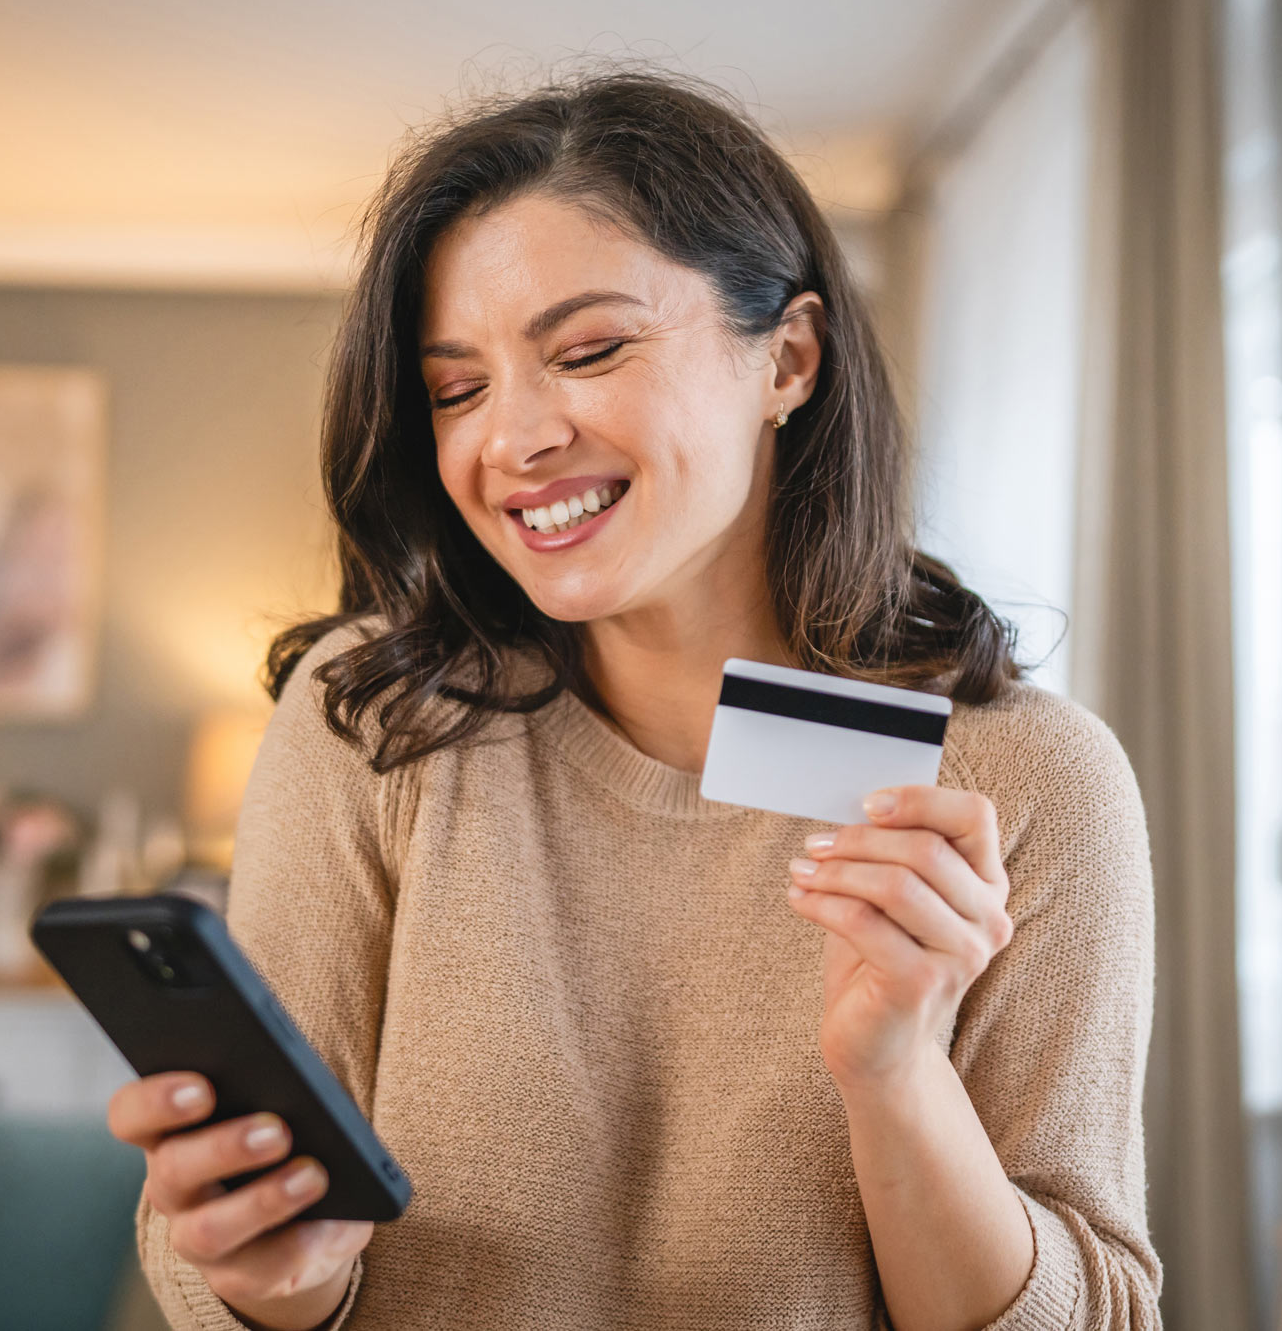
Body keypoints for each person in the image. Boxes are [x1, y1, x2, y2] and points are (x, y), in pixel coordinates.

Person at [105, 67, 1162, 1331]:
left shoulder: (1023, 782)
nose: (513, 439)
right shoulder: (372, 726)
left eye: (589, 350)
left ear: (788, 358)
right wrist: (271, 1274)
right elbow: (226, 1269)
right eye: (457, 389)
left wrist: (895, 1078)